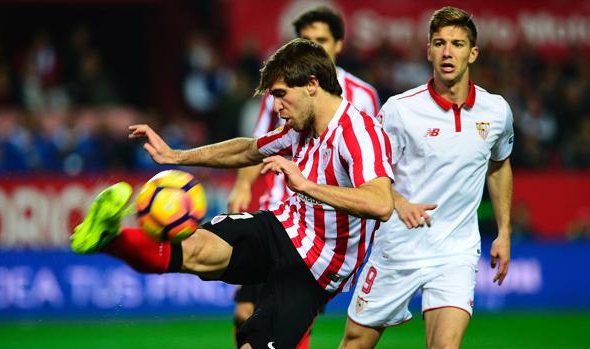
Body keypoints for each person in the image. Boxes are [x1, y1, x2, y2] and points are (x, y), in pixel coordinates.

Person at [71, 38, 394, 349]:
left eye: (281, 95)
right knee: (193, 249)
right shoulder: (300, 127)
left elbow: (380, 203)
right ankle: (107, 238)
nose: (277, 107)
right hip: (281, 228)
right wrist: (177, 156)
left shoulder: (359, 133)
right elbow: (249, 150)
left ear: (311, 84)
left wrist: (308, 186)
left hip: (315, 267)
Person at [339, 6, 514, 349]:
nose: (448, 51)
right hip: (398, 247)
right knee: (355, 343)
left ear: (473, 53)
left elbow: (499, 165)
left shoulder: (496, 112)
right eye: (440, 42)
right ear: (428, 50)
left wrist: (504, 231)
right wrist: (399, 203)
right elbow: (365, 170)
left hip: (456, 251)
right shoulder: (400, 110)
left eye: (458, 44)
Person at [226, 7, 380, 346]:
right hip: (278, 210)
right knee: (246, 314)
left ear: (339, 44)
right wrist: (242, 185)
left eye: (321, 40)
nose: (315, 46)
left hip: (323, 229)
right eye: (307, 40)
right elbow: (258, 146)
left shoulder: (364, 97)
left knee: (285, 317)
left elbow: (372, 163)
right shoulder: (280, 93)